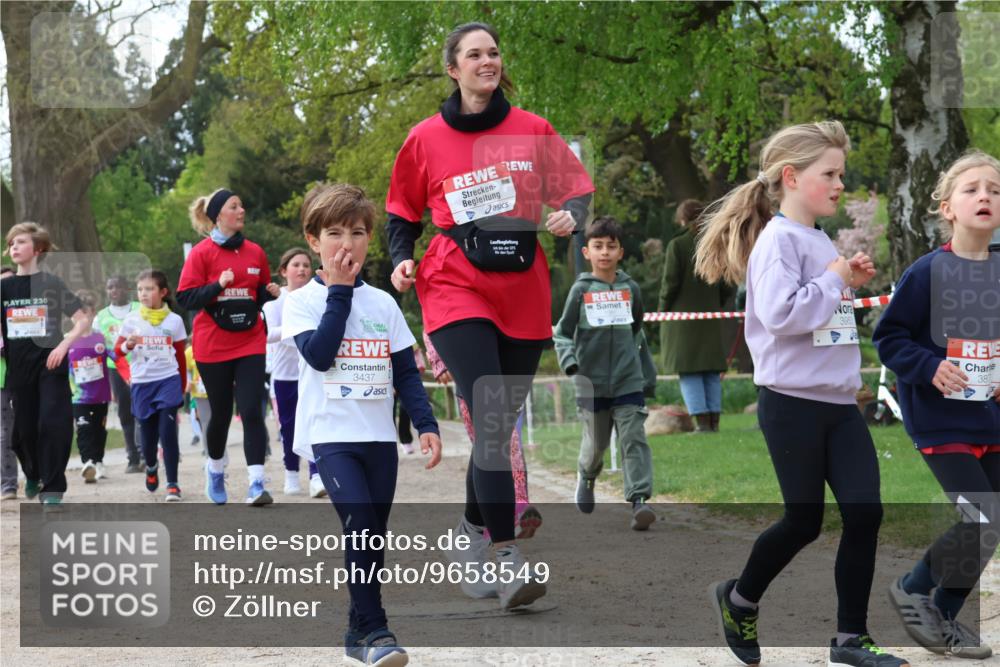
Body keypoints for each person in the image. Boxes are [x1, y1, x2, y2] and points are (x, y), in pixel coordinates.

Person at [385, 21, 593, 608]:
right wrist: (402, 261)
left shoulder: (532, 129)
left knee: (497, 426)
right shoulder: (424, 138)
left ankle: (471, 534)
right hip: (453, 284)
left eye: (494, 52)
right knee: (490, 413)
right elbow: (402, 214)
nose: (488, 61)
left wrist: (570, 215)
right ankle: (506, 556)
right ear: (453, 69)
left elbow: (575, 191)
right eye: (474, 54)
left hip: (523, 290)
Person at [694, 121, 908, 667]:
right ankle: (739, 598)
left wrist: (844, 277)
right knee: (803, 521)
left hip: (839, 404)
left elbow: (817, 309)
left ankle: (849, 640)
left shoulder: (816, 238)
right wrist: (835, 278)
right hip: (791, 405)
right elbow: (782, 314)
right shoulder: (778, 239)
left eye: (842, 174)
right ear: (792, 177)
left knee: (866, 514)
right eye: (830, 174)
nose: (841, 184)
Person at [282, 182, 442, 667]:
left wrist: (426, 423)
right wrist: (338, 292)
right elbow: (320, 354)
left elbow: (406, 371)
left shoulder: (384, 304)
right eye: (334, 233)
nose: (346, 243)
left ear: (369, 238)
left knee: (372, 534)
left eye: (356, 232)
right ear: (314, 241)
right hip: (330, 437)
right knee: (360, 527)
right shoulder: (302, 301)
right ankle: (377, 631)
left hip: (378, 440)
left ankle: (356, 631)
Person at [873, 150, 1000, 660]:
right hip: (939, 417)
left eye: (994, 189)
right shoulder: (927, 272)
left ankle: (943, 615)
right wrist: (929, 367)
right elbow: (890, 338)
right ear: (947, 207)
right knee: (982, 516)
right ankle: (910, 588)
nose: (985, 196)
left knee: (992, 523)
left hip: (989, 418)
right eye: (971, 189)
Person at [176, 188, 280, 506]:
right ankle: (216, 470)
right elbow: (185, 298)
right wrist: (217, 285)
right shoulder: (201, 254)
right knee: (220, 414)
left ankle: (256, 484)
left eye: (242, 204)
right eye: (235, 206)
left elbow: (253, 295)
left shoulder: (255, 253)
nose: (242, 210)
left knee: (251, 410)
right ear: (219, 214)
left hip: (250, 340)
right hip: (213, 345)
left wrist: (268, 293)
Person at [554, 216, 656, 530]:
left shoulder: (631, 289)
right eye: (598, 246)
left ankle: (639, 501)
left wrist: (642, 372)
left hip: (628, 380)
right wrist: (571, 362)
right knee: (596, 444)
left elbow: (636, 330)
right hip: (591, 382)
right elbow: (561, 333)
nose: (605, 253)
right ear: (587, 252)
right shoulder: (580, 290)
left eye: (611, 247)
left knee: (633, 440)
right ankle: (586, 476)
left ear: (621, 252)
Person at [1, 222, 90, 505]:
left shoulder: (51, 283)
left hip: (51, 363)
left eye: (21, 242)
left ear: (37, 249)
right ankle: (34, 473)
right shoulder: (5, 287)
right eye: (12, 243)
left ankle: (53, 488)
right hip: (19, 368)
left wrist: (64, 345)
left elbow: (82, 319)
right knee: (23, 433)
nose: (14, 247)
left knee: (54, 423)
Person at [423, 331, 543, 539]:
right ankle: (496, 521)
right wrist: (437, 360)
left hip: (504, 380)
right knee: (491, 450)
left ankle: (515, 511)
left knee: (507, 446)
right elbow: (432, 312)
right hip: (471, 381)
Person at [661, 199, 735, 432]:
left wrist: (663, 310)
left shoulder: (677, 245)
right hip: (710, 317)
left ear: (682, 219)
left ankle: (701, 424)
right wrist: (716, 303)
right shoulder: (716, 244)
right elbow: (727, 283)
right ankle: (713, 422)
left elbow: (670, 283)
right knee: (711, 371)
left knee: (690, 371)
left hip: (682, 320)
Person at [115, 270, 188, 502]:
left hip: (168, 379)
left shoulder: (174, 321)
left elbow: (180, 356)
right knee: (147, 438)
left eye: (149, 289)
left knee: (168, 432)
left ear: (163, 292)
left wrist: (182, 385)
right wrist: (127, 344)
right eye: (140, 290)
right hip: (142, 383)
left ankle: (173, 484)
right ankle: (151, 466)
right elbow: (116, 352)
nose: (144, 294)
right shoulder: (131, 320)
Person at [261, 246, 324, 497]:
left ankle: (317, 475)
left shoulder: (318, 295)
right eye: (296, 265)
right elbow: (268, 334)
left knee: (315, 423)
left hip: (312, 372)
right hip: (285, 375)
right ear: (283, 271)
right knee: (288, 427)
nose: (302, 269)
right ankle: (291, 474)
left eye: (306, 265)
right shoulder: (276, 300)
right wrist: (298, 329)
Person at [95, 275, 143, 473]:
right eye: (110, 287)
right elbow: (97, 348)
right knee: (125, 412)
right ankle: (132, 456)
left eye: (118, 286)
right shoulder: (101, 316)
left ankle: (145, 454)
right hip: (115, 369)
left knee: (142, 410)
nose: (114, 290)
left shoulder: (140, 310)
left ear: (126, 289)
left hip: (141, 365)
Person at [68, 290, 112, 483]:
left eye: (85, 313)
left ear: (92, 313)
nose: (80, 318)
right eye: (76, 314)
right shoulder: (67, 340)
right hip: (78, 397)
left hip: (101, 395)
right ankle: (88, 463)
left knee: (99, 430)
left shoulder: (101, 339)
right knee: (84, 429)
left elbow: (117, 356)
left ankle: (99, 461)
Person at [0, 266, 18, 500]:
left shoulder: (32, 310)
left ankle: (39, 476)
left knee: (34, 428)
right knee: (5, 432)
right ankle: (8, 484)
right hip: (3, 378)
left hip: (30, 378)